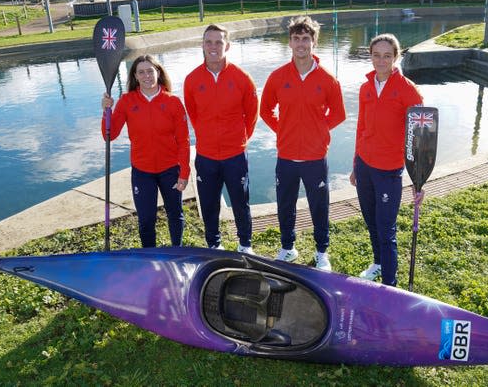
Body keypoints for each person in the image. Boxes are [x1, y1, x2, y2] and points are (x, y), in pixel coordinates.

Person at [260, 16, 346, 271]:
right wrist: (283, 130)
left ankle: (321, 252)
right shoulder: (278, 77)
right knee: (285, 204)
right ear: (289, 42)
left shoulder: (328, 79)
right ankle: (288, 247)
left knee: (319, 206)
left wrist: (317, 132)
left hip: (314, 157)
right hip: (286, 156)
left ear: (314, 42)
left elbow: (339, 114)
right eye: (296, 39)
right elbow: (265, 110)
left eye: (305, 39)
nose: (300, 44)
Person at [349, 33, 424, 285]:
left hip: (389, 170)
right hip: (364, 166)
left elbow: (420, 137)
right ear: (370, 56)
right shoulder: (365, 87)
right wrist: (355, 165)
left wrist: (419, 179)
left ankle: (390, 284)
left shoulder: (408, 90)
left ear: (396, 57)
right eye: (376, 55)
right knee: (371, 221)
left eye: (387, 56)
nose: (381, 61)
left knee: (386, 229)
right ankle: (378, 263)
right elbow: (361, 128)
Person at [184, 24, 259, 254]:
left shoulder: (242, 78)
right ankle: (214, 244)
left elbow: (252, 115)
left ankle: (245, 244)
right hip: (206, 156)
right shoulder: (192, 79)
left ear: (227, 45)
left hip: (235, 154)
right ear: (203, 45)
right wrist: (207, 136)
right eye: (209, 42)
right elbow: (194, 114)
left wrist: (238, 140)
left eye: (219, 42)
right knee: (208, 204)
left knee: (240, 202)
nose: (214, 46)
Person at [101, 54, 190, 248]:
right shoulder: (126, 101)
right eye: (141, 72)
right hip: (142, 171)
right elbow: (110, 135)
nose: (146, 75)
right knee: (146, 218)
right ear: (135, 76)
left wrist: (184, 173)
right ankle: (150, 255)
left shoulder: (173, 102)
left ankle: (177, 251)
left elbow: (183, 141)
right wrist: (106, 111)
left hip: (170, 169)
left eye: (150, 71)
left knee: (175, 213)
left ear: (158, 72)